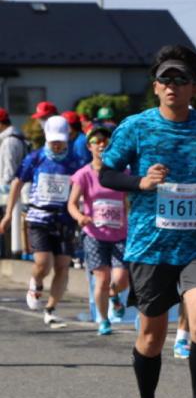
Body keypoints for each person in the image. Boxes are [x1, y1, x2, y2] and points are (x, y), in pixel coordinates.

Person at [99, 44, 196, 398]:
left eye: (181, 80)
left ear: (195, 87)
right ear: (155, 87)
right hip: (150, 244)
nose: (172, 86)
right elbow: (107, 172)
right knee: (152, 335)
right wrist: (139, 182)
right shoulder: (136, 127)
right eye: (165, 80)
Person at [0, 115, 86, 326]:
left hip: (65, 218)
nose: (57, 144)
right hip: (39, 216)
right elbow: (17, 183)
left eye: (60, 140)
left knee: (63, 265)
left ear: (67, 138)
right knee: (42, 263)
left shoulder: (75, 161)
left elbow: (85, 184)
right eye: (53, 140)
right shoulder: (36, 158)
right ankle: (36, 282)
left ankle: (51, 307)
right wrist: (9, 214)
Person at [67, 126, 129, 335]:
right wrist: (80, 217)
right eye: (97, 141)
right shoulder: (83, 174)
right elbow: (72, 204)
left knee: (121, 279)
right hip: (94, 234)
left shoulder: (123, 172)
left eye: (106, 141)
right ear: (89, 146)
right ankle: (103, 320)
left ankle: (114, 295)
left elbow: (127, 200)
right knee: (101, 278)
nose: (102, 144)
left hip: (120, 233)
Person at [0, 108, 31, 258]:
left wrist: (4, 187)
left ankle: (10, 255)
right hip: (18, 189)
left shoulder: (9, 141)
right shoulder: (16, 137)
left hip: (11, 191)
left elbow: (9, 170)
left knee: (11, 226)